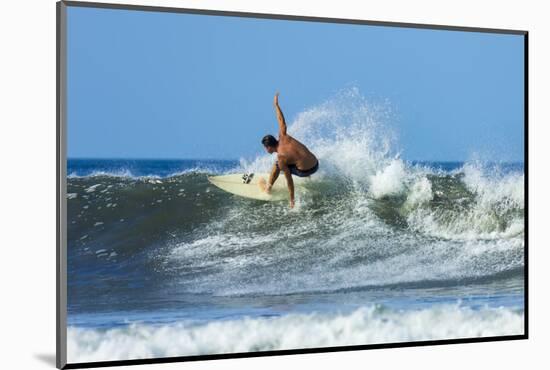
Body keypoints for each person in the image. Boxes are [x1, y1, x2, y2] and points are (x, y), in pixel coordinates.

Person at [259, 92, 319, 208]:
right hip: (316, 164)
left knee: (277, 165)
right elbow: (281, 120)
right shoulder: (283, 135)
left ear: (269, 147)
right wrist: (276, 105)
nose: (266, 151)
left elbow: (289, 180)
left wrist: (292, 199)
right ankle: (309, 178)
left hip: (306, 171)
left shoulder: (281, 157)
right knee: (296, 158)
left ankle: (268, 188)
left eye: (266, 148)